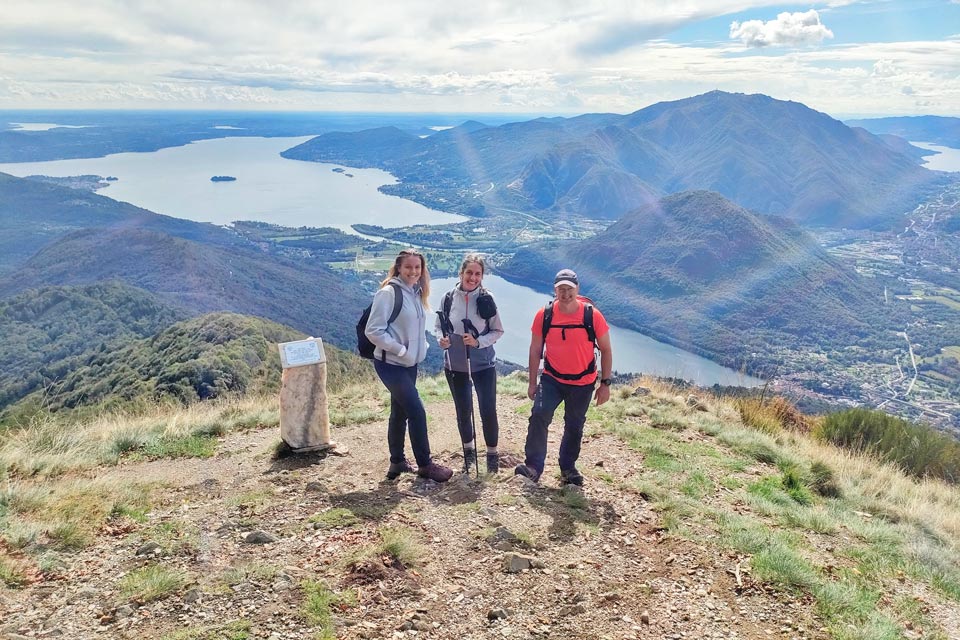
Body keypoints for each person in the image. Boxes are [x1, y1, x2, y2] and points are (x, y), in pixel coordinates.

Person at [515, 268, 613, 486]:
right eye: (561, 289)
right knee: (539, 415)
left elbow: (606, 349)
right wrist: (532, 382)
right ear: (555, 290)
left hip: (583, 382)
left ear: (577, 289)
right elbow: (535, 350)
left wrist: (605, 384)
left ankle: (568, 468)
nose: (565, 293)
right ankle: (533, 466)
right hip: (552, 378)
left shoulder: (592, 316)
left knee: (574, 425)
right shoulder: (545, 315)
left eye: (569, 288)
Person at [365, 249, 453, 483]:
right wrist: (401, 351)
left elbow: (413, 327)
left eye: (418, 267)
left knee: (400, 411)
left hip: (408, 364)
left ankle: (397, 462)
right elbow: (373, 330)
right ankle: (425, 465)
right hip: (390, 364)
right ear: (398, 268)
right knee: (416, 410)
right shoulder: (388, 293)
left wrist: (420, 348)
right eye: (409, 267)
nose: (414, 271)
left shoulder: (416, 293)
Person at [436, 253, 505, 474]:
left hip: (483, 364)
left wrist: (478, 342)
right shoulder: (448, 298)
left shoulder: (487, 299)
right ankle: (469, 454)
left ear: (482, 276)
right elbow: (439, 325)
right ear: (461, 273)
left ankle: (492, 455)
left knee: (487, 410)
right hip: (455, 363)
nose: (473, 278)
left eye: (477, 274)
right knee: (463, 410)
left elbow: (497, 330)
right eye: (469, 273)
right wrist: (442, 339)